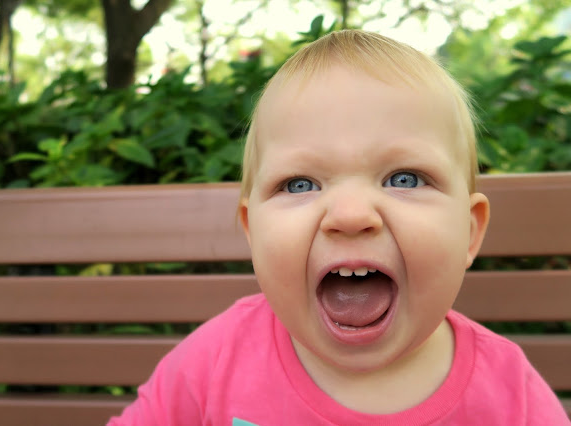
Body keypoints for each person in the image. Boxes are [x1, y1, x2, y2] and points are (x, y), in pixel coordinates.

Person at [108, 29, 569, 425]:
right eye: (300, 184)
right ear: (253, 234)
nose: (350, 216)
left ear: (469, 232)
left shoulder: (512, 397)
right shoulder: (214, 362)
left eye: (404, 179)